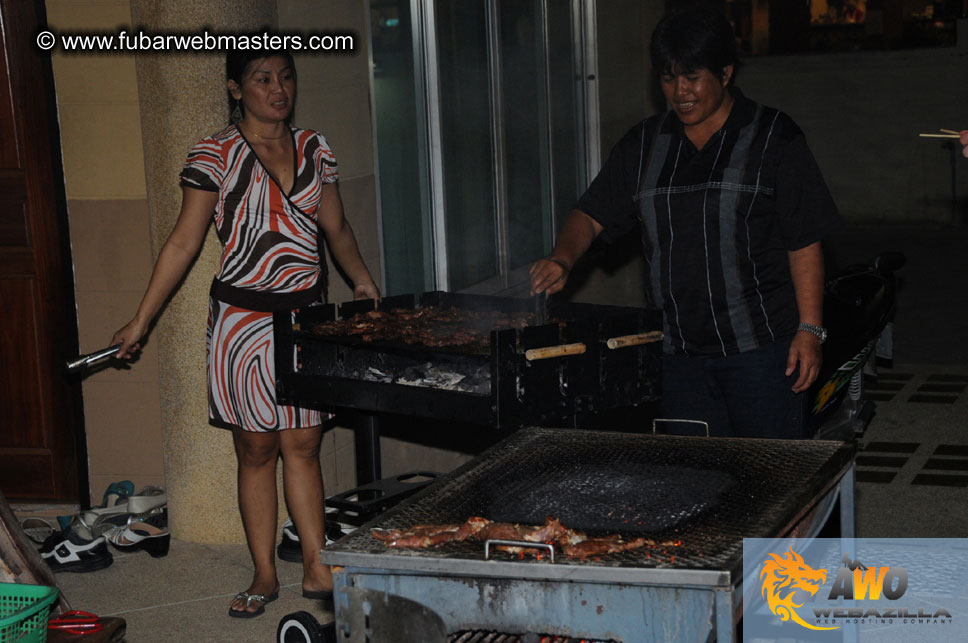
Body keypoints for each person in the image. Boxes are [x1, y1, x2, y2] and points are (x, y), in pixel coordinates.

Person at [111, 49, 379, 618]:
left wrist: (361, 280)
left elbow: (336, 226)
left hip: (305, 318)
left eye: (286, 77)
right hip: (243, 324)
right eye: (262, 79)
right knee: (256, 449)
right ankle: (263, 572)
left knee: (303, 445)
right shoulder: (217, 153)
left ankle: (314, 562)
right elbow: (184, 242)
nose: (277, 89)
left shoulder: (314, 147)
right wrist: (141, 319)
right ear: (237, 89)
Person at [530, 8, 840, 439]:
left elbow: (803, 241)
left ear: (726, 72)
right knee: (692, 482)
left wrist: (809, 330)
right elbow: (591, 213)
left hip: (762, 352)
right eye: (668, 78)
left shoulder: (774, 138)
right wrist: (563, 258)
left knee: (772, 481)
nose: (680, 91)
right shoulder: (643, 146)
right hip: (677, 356)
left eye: (692, 76)